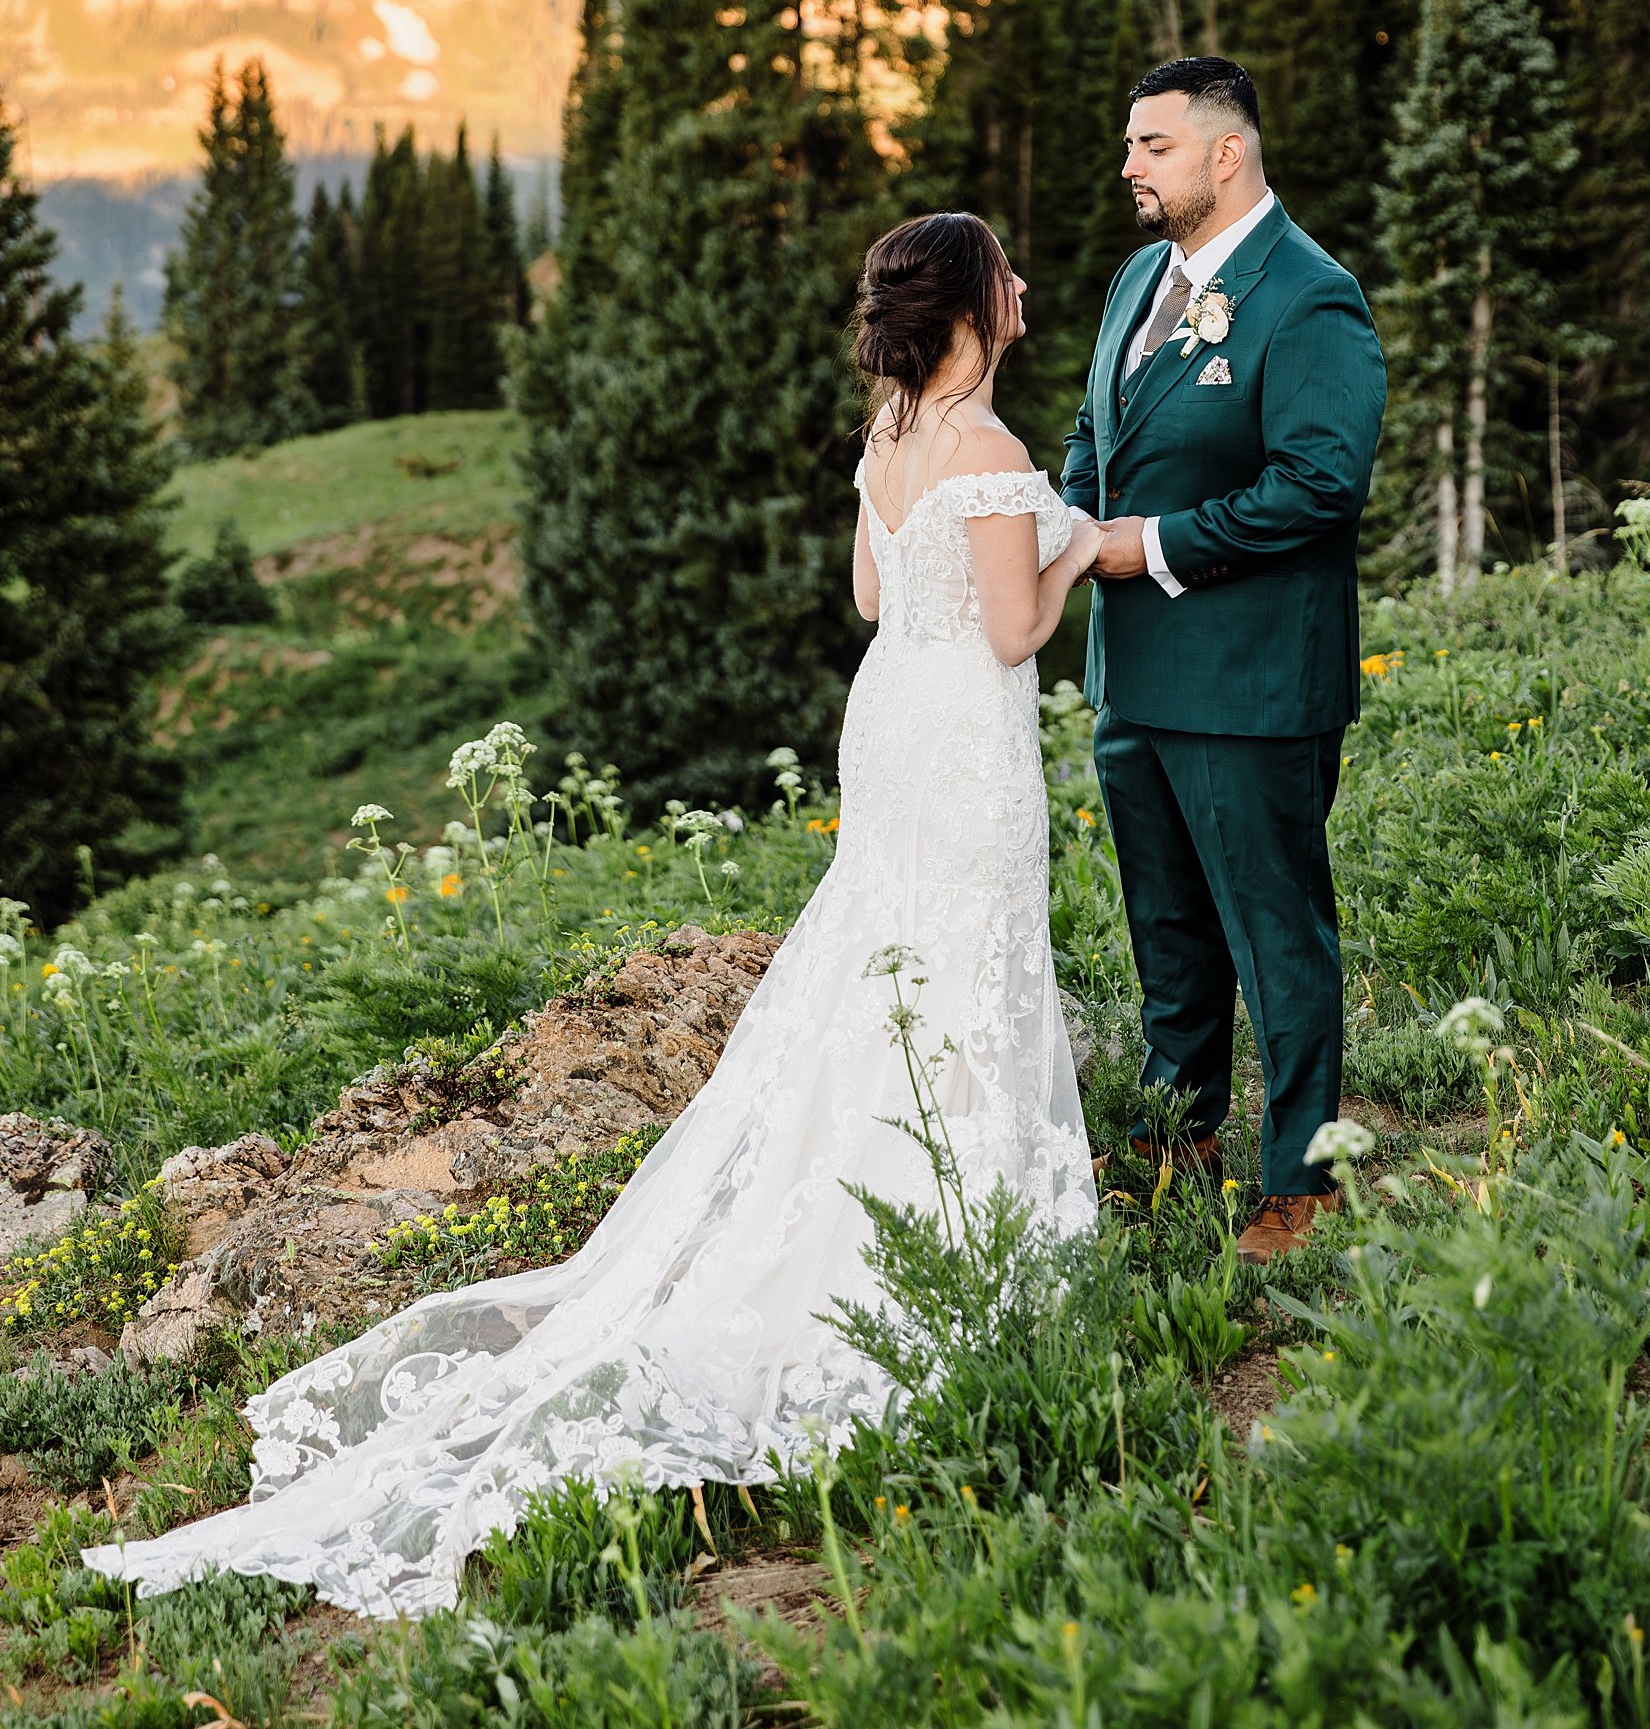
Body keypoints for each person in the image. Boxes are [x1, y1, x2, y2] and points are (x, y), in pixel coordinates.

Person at [88, 211, 1099, 1617]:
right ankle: (955, 1228)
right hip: (966, 734)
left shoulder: (886, 438)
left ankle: (887, 1200)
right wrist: (1079, 540)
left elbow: (876, 594)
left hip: (891, 721)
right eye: (1012, 271)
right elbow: (1012, 631)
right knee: (962, 958)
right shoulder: (989, 454)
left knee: (888, 954)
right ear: (976, 304)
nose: (1028, 284)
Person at [1064, 58, 1386, 1266]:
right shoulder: (1137, 278)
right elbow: (1096, 428)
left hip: (1253, 682)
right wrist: (1069, 520)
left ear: (1226, 153)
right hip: (1135, 672)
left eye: (1152, 145)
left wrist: (1142, 544)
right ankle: (1178, 1130)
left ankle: (1307, 1180)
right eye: (1131, 144)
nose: (1130, 166)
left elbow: (1318, 486)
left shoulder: (1311, 297)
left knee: (1275, 931)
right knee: (1169, 925)